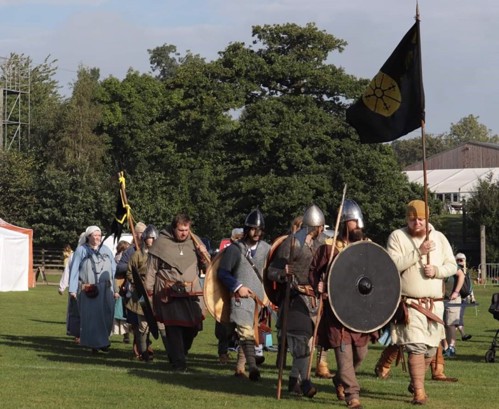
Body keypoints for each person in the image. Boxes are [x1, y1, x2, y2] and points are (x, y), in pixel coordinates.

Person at [387, 200, 457, 405]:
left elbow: (452, 265)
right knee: (415, 346)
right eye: (412, 219)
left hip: (435, 305)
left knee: (430, 349)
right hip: (411, 305)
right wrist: (419, 252)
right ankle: (419, 391)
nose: (416, 223)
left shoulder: (440, 238)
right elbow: (392, 265)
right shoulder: (397, 237)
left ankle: (416, 379)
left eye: (420, 219)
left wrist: (437, 271)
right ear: (407, 218)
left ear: (427, 218)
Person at [309, 199, 372, 409]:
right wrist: (318, 284)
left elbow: (377, 276)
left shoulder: (366, 247)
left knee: (360, 354)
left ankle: (340, 380)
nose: (358, 226)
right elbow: (313, 272)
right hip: (337, 311)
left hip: (360, 311)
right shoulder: (328, 248)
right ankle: (352, 396)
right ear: (345, 223)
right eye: (355, 222)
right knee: (343, 353)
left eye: (359, 222)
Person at [267, 204, 326, 398]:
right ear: (314, 227)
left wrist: (323, 283)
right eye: (320, 228)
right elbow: (271, 272)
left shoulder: (322, 245)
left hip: (315, 300)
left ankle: (294, 382)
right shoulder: (292, 243)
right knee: (300, 342)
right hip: (294, 298)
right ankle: (306, 382)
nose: (321, 231)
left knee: (308, 345)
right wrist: (283, 273)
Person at [144, 213, 209, 371]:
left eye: (186, 230)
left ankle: (178, 353)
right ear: (174, 228)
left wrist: (204, 255)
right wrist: (149, 292)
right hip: (168, 293)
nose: (184, 233)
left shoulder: (195, 242)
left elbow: (208, 268)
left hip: (191, 292)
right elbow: (151, 270)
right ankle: (179, 362)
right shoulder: (161, 243)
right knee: (174, 328)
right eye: (181, 230)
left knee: (192, 329)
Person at [218, 210, 271, 380]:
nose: (257, 233)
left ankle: (240, 368)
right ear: (247, 229)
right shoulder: (235, 250)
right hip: (240, 298)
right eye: (253, 229)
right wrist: (237, 286)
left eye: (260, 229)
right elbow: (223, 272)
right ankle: (253, 368)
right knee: (245, 331)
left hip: (259, 299)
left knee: (250, 333)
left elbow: (271, 272)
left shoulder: (266, 249)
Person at [68, 225, 119, 353]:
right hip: (89, 290)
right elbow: (74, 270)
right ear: (88, 237)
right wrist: (73, 289)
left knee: (107, 315)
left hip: (106, 289)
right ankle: (96, 344)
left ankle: (103, 340)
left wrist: (115, 288)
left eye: (99, 235)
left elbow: (113, 271)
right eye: (94, 235)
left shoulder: (106, 250)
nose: (97, 237)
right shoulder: (81, 251)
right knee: (92, 318)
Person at [126, 225, 158, 361]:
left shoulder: (159, 255)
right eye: (150, 238)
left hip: (157, 295)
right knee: (143, 326)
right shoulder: (137, 255)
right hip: (141, 296)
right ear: (145, 239)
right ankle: (144, 353)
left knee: (160, 326)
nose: (152, 240)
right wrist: (136, 284)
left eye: (154, 238)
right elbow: (129, 272)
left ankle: (173, 356)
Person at [216, 227, 244, 365]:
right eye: (237, 237)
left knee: (244, 328)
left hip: (243, 295)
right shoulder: (228, 252)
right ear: (232, 239)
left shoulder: (245, 252)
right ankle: (223, 353)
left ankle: (244, 357)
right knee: (224, 328)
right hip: (226, 294)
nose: (239, 239)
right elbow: (221, 273)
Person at [442, 254, 465, 357]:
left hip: (453, 299)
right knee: (442, 324)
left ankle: (451, 348)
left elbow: (461, 275)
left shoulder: (451, 265)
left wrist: (456, 292)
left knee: (450, 324)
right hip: (440, 299)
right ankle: (445, 348)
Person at [114, 240, 131, 344]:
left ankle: (127, 334)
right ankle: (126, 335)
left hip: (125, 286)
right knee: (124, 312)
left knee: (126, 312)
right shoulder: (119, 259)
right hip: (121, 286)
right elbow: (117, 273)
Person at [455, 253, 473, 341]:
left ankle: (461, 335)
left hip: (464, 298)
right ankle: (461, 335)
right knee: (455, 318)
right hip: (456, 297)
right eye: (457, 260)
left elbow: (470, 286)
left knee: (459, 317)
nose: (459, 262)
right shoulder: (454, 271)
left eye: (461, 260)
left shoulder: (467, 273)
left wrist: (472, 297)